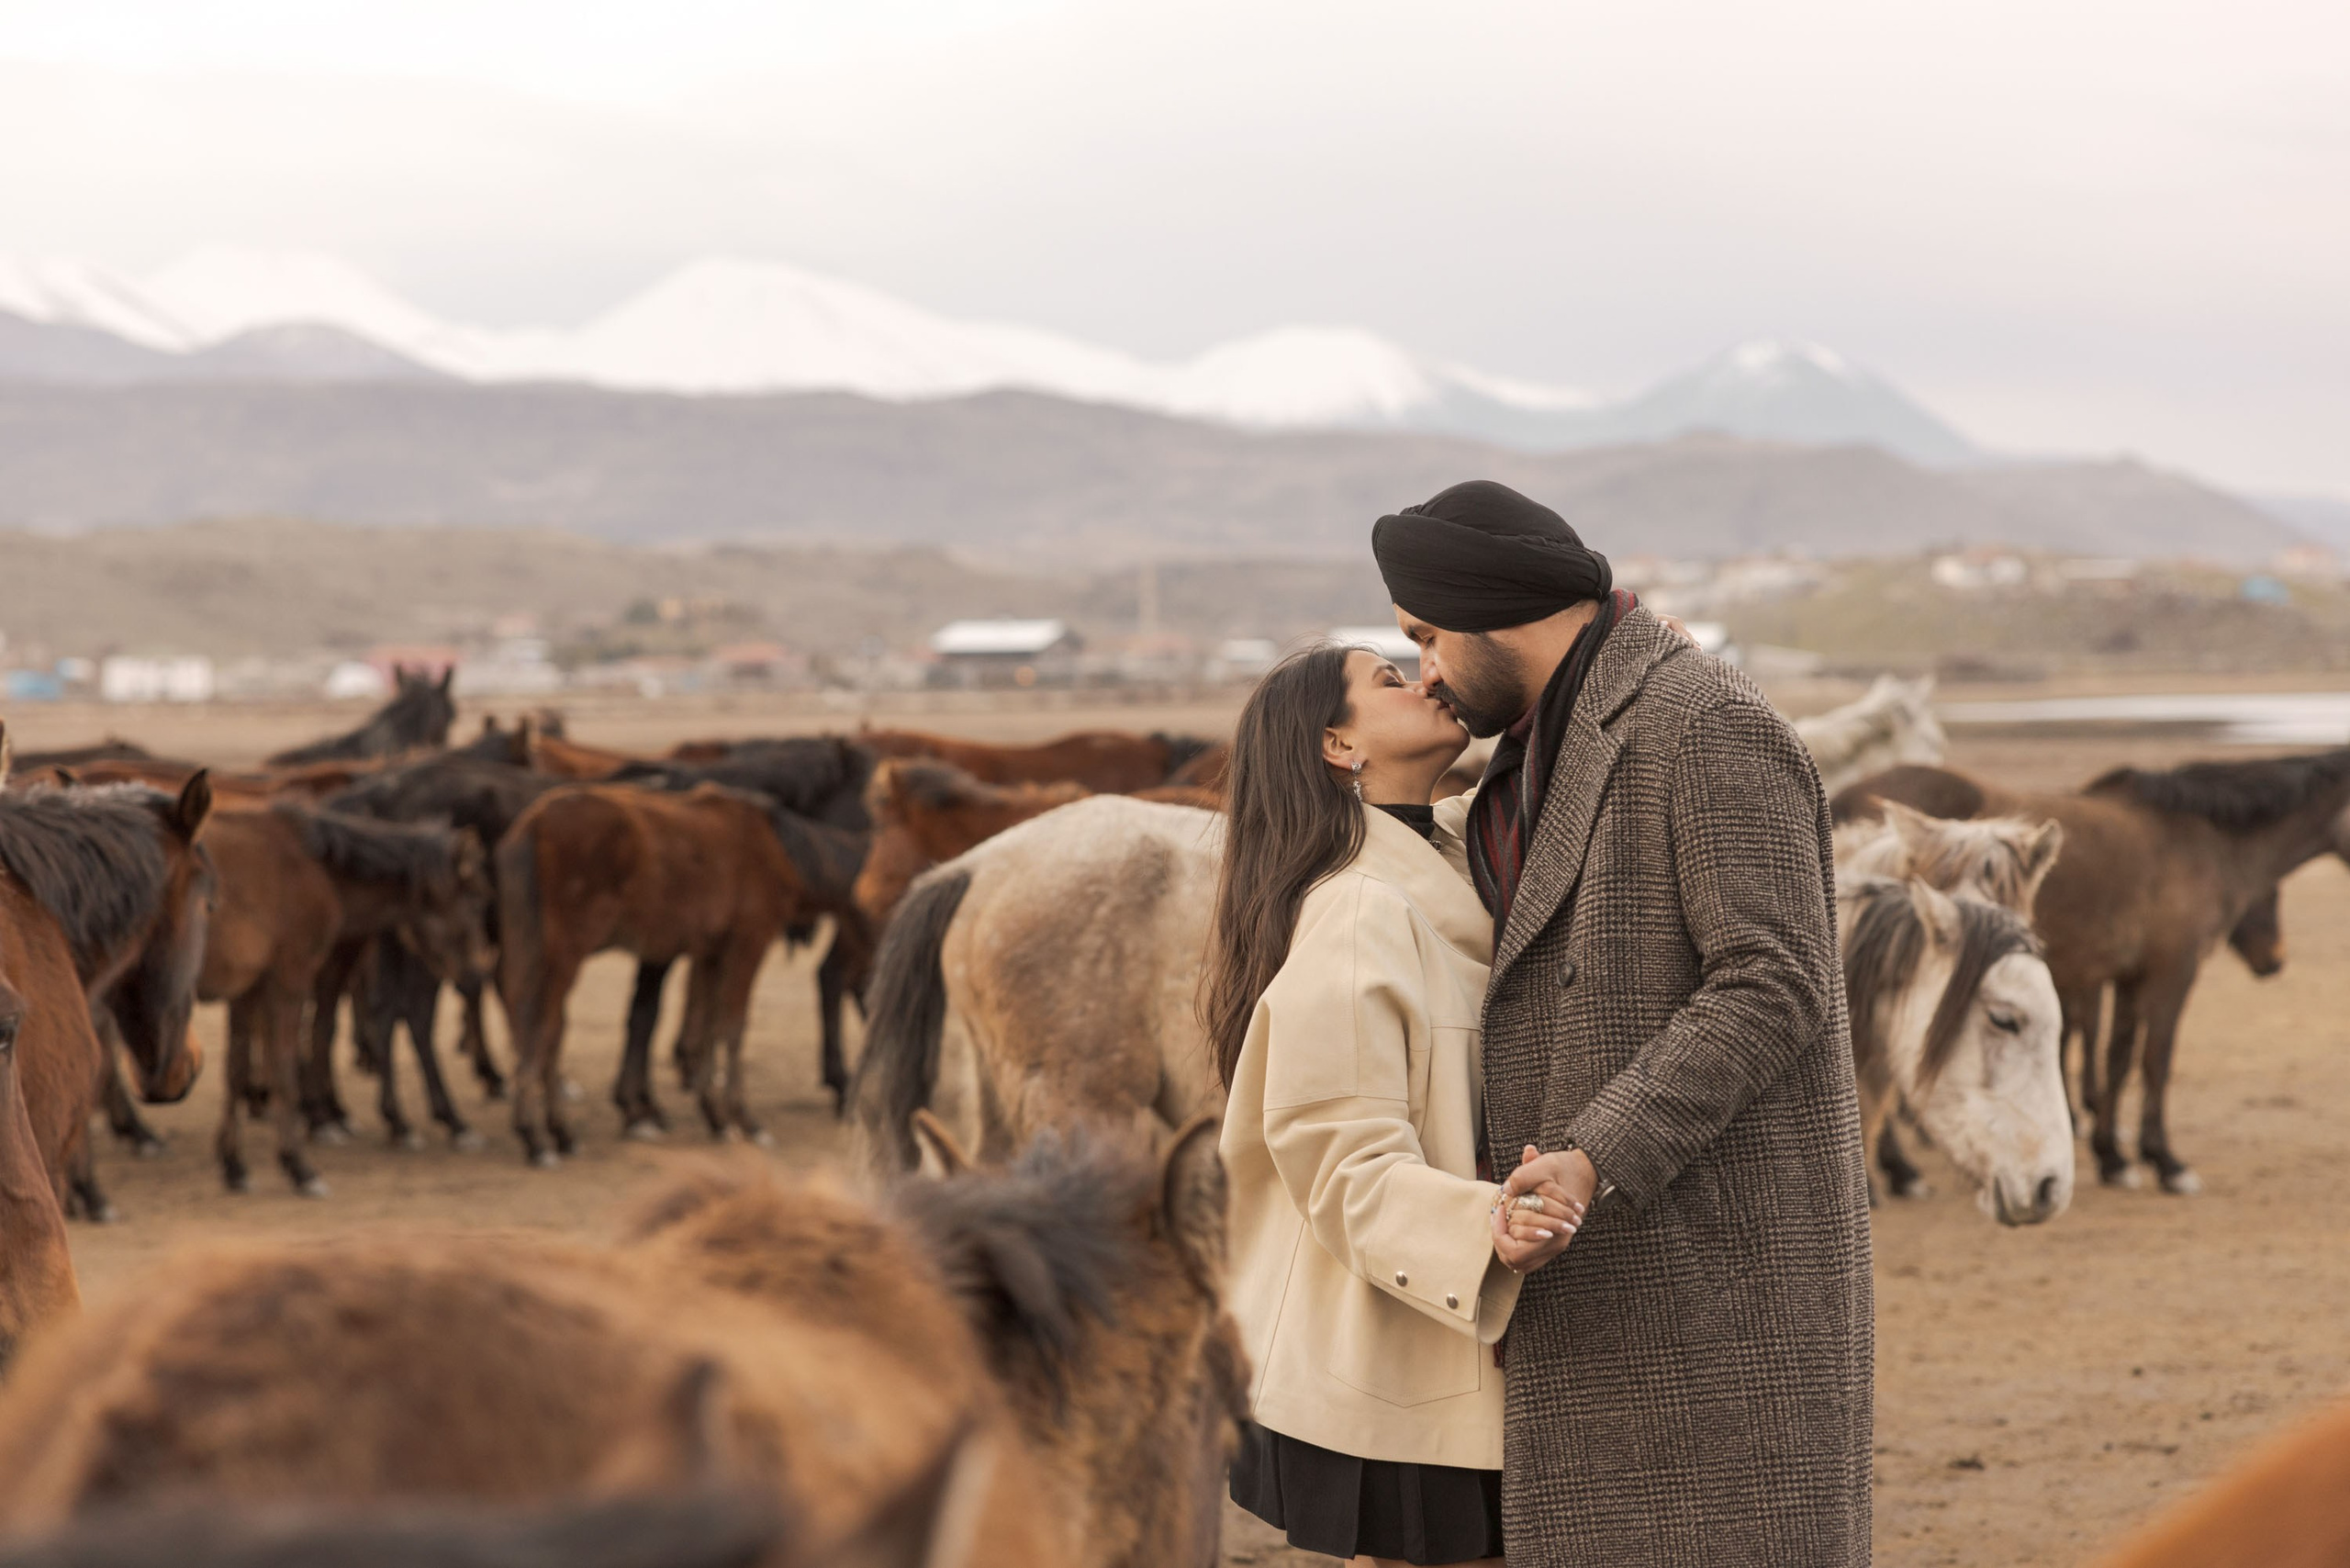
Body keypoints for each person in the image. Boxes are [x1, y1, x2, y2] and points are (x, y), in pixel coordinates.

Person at [1375, 479, 1874, 1567]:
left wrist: (1596, 1154)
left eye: (1426, 637)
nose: (1425, 672)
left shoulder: (1704, 725)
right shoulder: (1541, 751)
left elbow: (1775, 978)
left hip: (1709, 1283)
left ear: (1488, 604)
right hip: (1603, 1279)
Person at [1206, 642, 1586, 1568]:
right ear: (1339, 744)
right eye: (1389, 678)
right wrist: (1487, 1226)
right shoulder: (1357, 912)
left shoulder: (1449, 848)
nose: (1422, 677)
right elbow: (1339, 1157)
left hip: (1433, 1347)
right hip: (1398, 1360)